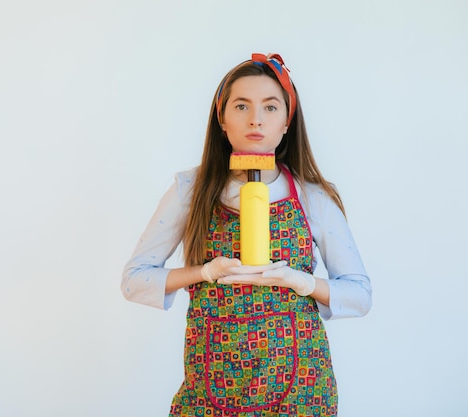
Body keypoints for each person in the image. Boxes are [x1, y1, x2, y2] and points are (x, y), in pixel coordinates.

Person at [121, 53, 372, 417]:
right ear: (222, 118)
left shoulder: (312, 196)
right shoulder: (190, 190)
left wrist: (300, 281)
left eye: (271, 108)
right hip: (212, 386)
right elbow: (134, 280)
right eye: (242, 106)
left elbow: (360, 294)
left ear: (287, 121)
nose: (256, 119)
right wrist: (204, 272)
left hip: (300, 390)